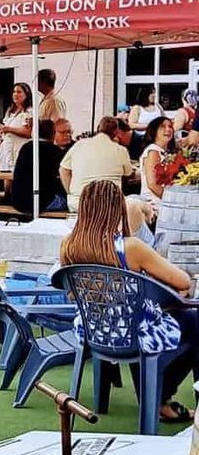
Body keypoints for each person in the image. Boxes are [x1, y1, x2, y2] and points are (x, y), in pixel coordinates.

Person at [57, 180, 198, 423]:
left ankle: (156, 395)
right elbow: (184, 282)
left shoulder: (68, 245)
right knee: (194, 321)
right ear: (117, 209)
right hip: (134, 333)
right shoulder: (130, 247)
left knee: (172, 320)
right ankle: (158, 396)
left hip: (94, 331)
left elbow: (72, 294)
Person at [59, 116, 136, 212]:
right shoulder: (120, 150)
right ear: (116, 133)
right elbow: (128, 174)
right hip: (109, 204)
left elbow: (63, 170)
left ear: (98, 129)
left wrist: (71, 193)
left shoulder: (79, 144)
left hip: (79, 203)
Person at [11, 120, 67, 215]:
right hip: (42, 202)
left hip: (18, 202)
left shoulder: (25, 147)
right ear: (53, 133)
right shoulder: (54, 151)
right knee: (70, 201)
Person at [0, 83, 34, 173]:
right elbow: (6, 127)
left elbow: (28, 132)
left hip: (19, 148)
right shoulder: (10, 111)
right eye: (14, 92)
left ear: (26, 95)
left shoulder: (29, 112)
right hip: (6, 148)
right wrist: (1, 128)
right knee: (5, 177)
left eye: (19, 92)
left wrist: (8, 129)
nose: (16, 94)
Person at [139, 115, 176, 208]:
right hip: (154, 203)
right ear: (154, 131)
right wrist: (172, 201)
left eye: (170, 126)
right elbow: (152, 184)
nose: (168, 129)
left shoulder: (166, 152)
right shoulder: (153, 152)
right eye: (163, 126)